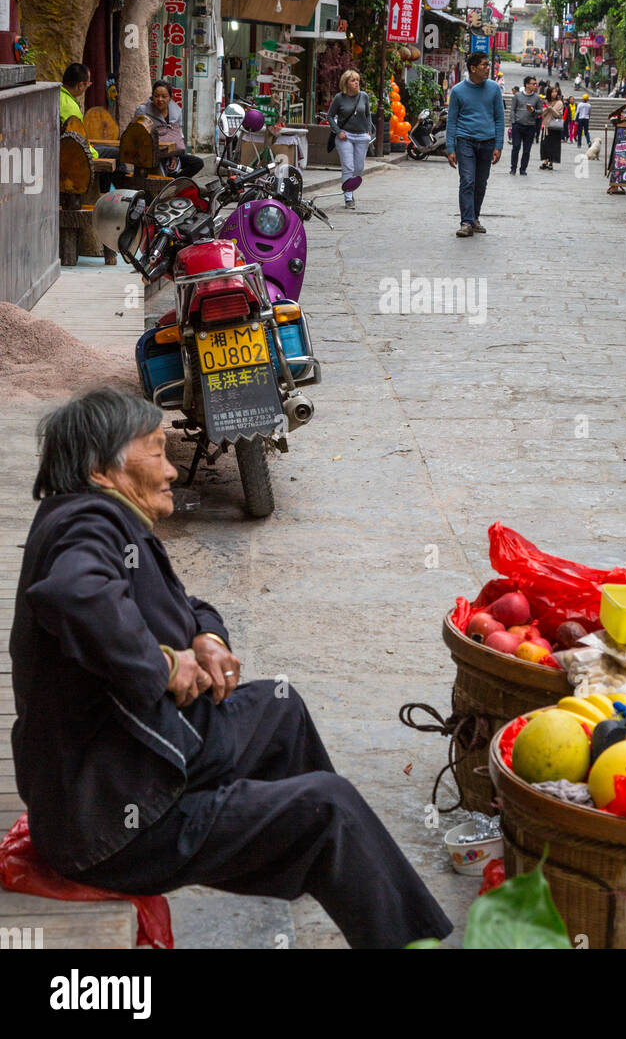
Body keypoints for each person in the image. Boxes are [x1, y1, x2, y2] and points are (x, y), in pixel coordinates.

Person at [10, 390, 452, 950]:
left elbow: (179, 605)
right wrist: (163, 664)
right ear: (103, 468)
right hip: (113, 824)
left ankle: (313, 858)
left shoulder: (107, 521)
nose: (173, 470)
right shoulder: (88, 526)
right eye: (156, 454)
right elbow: (74, 595)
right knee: (328, 806)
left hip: (143, 762)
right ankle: (325, 856)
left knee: (279, 707)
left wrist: (207, 637)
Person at [446, 50, 504, 237]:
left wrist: (499, 145)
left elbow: (499, 119)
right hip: (465, 141)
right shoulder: (457, 91)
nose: (488, 68)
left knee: (480, 183)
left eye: (488, 65)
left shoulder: (494, 89)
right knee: (467, 181)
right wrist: (450, 148)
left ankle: (474, 218)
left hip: (487, 142)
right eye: (484, 65)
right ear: (473, 68)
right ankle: (466, 222)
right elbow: (452, 121)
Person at [135, 80, 203, 179]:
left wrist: (175, 156)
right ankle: (169, 185)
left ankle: (174, 183)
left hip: (172, 153)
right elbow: (136, 133)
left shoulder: (176, 111)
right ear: (152, 96)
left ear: (170, 98)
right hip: (150, 155)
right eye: (156, 96)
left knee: (197, 163)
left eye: (164, 96)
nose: (159, 99)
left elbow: (179, 135)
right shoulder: (143, 110)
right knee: (162, 170)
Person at [326, 69, 373, 210]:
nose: (356, 82)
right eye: (353, 80)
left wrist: (369, 130)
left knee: (358, 168)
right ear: (346, 83)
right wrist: (338, 131)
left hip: (361, 136)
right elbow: (329, 116)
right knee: (348, 166)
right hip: (345, 136)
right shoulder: (339, 98)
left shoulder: (364, 96)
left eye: (357, 80)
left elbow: (368, 114)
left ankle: (350, 188)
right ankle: (348, 196)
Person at [59, 63, 100, 165]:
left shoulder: (57, 95)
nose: (87, 88)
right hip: (73, 155)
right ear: (80, 85)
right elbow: (79, 142)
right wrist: (95, 154)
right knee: (117, 156)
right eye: (87, 84)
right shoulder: (70, 107)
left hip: (61, 149)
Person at [510, 74, 543, 176]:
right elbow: (512, 110)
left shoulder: (537, 98)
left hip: (530, 126)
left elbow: (541, 111)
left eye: (535, 84)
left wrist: (533, 111)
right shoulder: (517, 96)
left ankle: (523, 169)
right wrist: (513, 122)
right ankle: (513, 168)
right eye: (533, 84)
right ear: (527, 85)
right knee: (516, 147)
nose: (535, 85)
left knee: (527, 150)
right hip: (518, 126)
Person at [540, 86, 565, 170]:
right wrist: (548, 109)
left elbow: (558, 115)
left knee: (554, 145)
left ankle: (551, 162)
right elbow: (542, 113)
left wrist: (550, 109)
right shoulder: (545, 101)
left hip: (555, 126)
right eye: (552, 92)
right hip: (546, 126)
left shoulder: (559, 103)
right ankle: (545, 161)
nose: (554, 94)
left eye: (555, 92)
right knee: (545, 144)